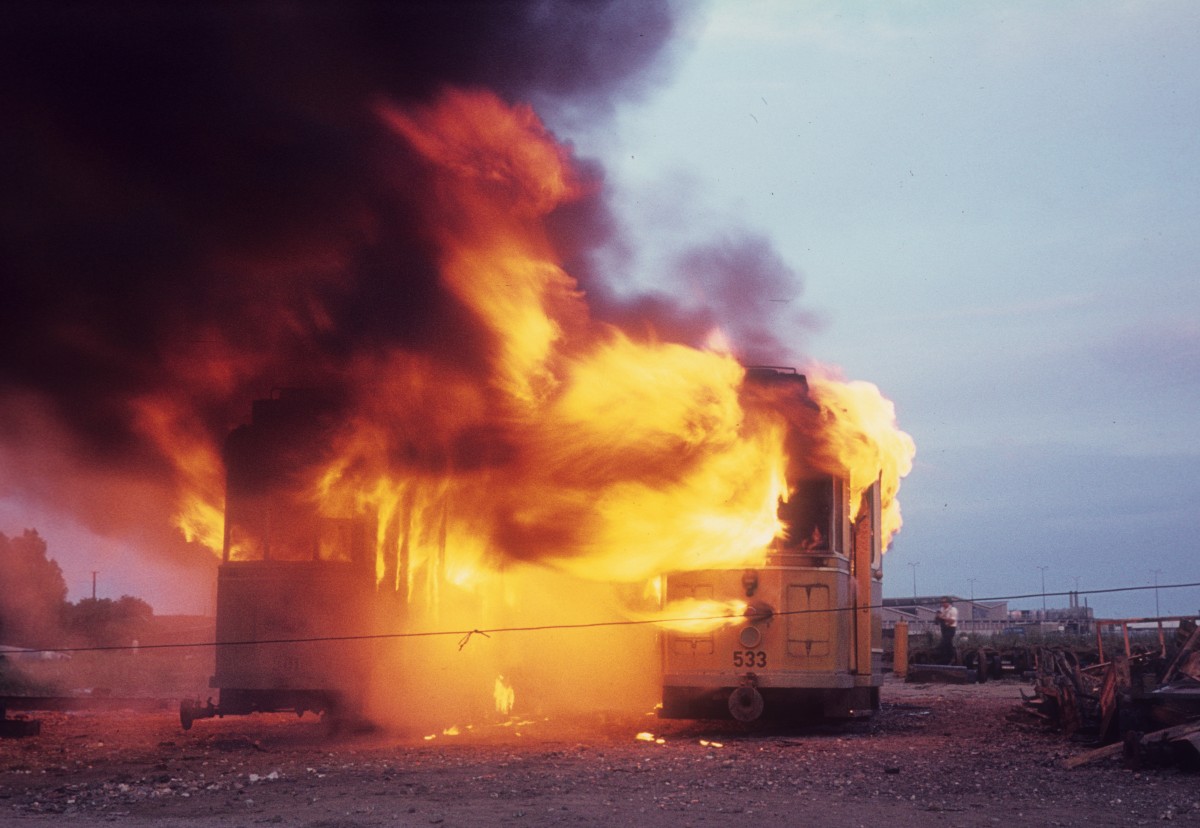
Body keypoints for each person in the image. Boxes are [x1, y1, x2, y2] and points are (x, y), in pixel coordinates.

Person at [935, 597, 958, 663]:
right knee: (948, 643)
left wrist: (942, 617)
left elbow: (952, 621)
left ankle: (949, 657)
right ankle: (949, 657)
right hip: (944, 628)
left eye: (944, 602)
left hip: (950, 628)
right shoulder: (941, 610)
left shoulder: (953, 610)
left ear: (948, 602)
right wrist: (937, 617)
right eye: (941, 602)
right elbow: (937, 621)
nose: (942, 604)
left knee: (945, 641)